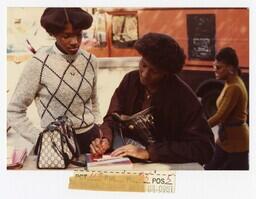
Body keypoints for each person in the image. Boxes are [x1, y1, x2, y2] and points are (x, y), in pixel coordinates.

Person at [90, 32, 214, 164]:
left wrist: (150, 152)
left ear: (166, 73)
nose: (144, 74)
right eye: (143, 65)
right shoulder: (130, 80)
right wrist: (105, 139)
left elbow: (204, 148)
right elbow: (111, 119)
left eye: (154, 71)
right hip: (129, 161)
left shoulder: (184, 98)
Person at [7, 8, 102, 153]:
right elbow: (14, 111)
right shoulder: (39, 63)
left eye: (79, 35)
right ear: (54, 34)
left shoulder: (91, 60)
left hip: (91, 143)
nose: (75, 42)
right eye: (66, 36)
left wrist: (98, 130)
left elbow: (93, 101)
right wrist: (40, 140)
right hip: (55, 146)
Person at [204, 47, 249, 170]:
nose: (215, 70)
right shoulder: (230, 82)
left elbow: (220, 116)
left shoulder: (234, 87)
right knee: (209, 169)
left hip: (237, 144)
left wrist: (200, 127)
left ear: (230, 69)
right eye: (214, 66)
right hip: (225, 141)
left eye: (218, 67)